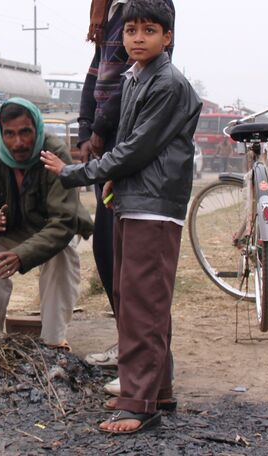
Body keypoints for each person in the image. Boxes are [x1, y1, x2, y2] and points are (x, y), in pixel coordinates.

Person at [41, 0, 201, 433]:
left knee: (142, 304)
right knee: (137, 301)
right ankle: (156, 391)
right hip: (135, 199)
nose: (137, 38)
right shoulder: (136, 78)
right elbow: (128, 141)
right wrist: (114, 181)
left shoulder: (166, 84)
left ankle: (138, 404)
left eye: (149, 30)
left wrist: (76, 173)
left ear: (168, 37)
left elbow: (134, 149)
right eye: (131, 30)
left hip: (154, 207)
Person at [78, 0, 174, 371]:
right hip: (104, 140)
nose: (137, 36)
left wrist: (101, 130)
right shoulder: (109, 9)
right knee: (107, 253)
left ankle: (151, 360)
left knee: (131, 258)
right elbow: (94, 74)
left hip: (127, 138)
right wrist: (86, 128)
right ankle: (130, 347)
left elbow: (135, 76)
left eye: (145, 32)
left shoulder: (151, 7)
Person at [0, 98, 93, 348]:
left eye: (25, 132)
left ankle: (54, 342)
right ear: (0, 133)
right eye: (10, 134)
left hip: (48, 231)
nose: (18, 142)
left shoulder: (55, 153)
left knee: (64, 255)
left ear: (37, 128)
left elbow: (63, 222)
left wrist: (21, 255)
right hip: (10, 230)